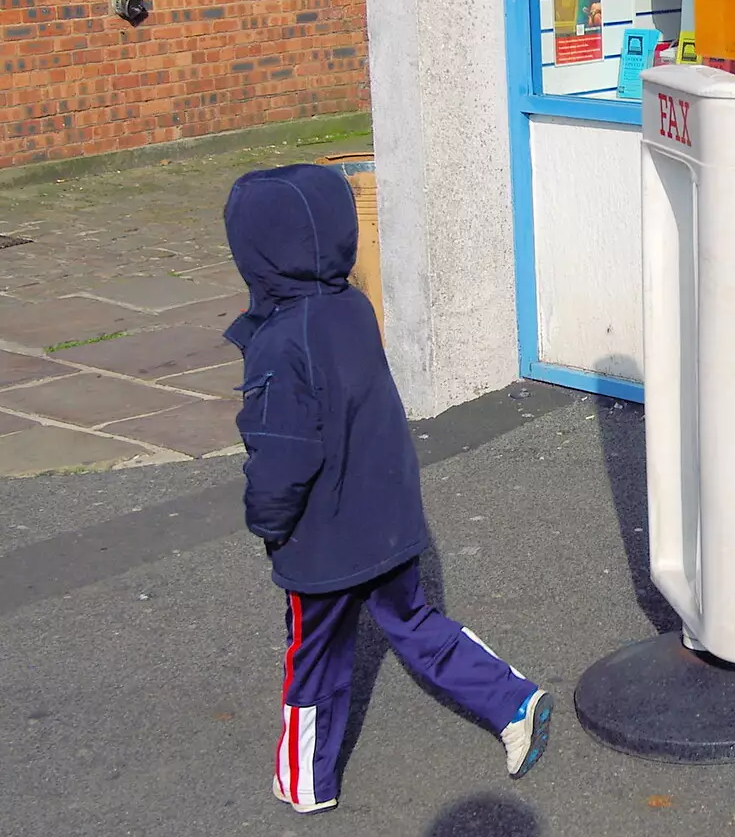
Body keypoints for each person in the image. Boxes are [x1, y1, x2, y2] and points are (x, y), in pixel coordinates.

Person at [223, 163, 552, 816]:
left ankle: (305, 782)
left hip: (321, 540)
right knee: (417, 622)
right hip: (389, 517)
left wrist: (268, 523)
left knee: (312, 659)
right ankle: (512, 701)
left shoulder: (279, 343)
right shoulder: (349, 307)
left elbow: (281, 454)